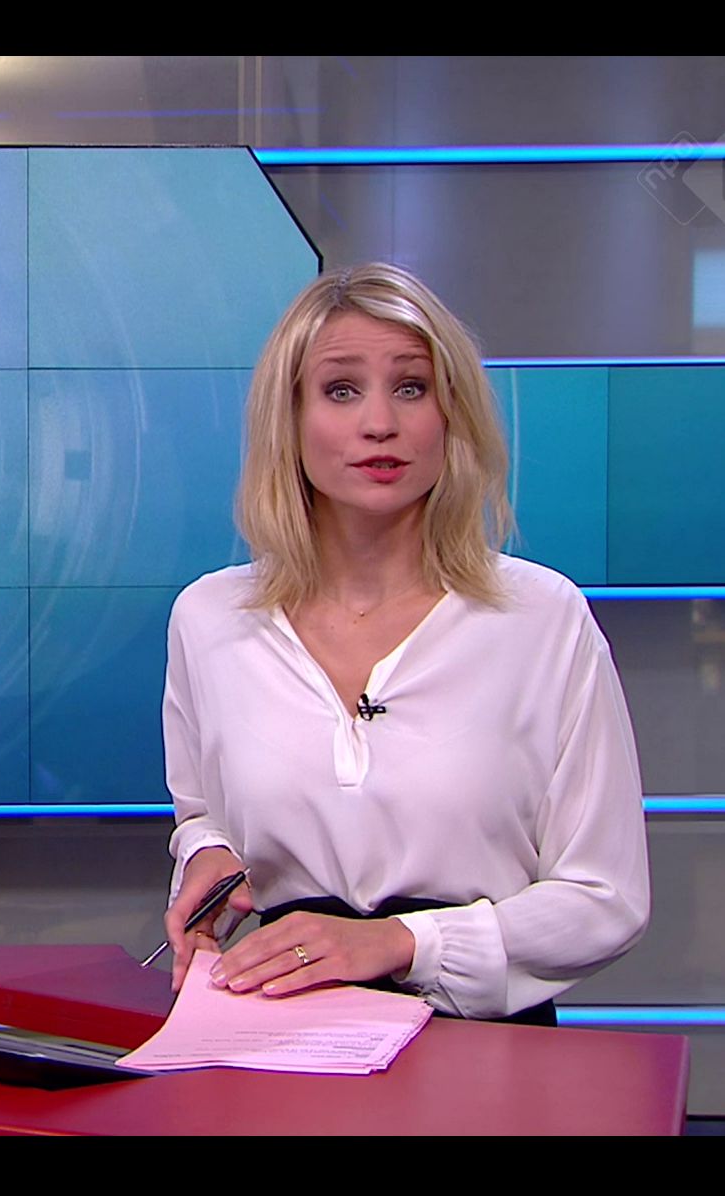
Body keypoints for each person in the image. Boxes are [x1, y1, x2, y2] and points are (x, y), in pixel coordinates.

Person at [160, 262, 649, 1026]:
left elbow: (606, 900)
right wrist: (208, 859)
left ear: (452, 415)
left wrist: (403, 944)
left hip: (482, 1048)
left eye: (412, 388)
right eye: (341, 390)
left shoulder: (542, 617)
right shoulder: (211, 618)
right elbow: (204, 815)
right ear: (290, 418)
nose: (379, 422)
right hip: (283, 1031)